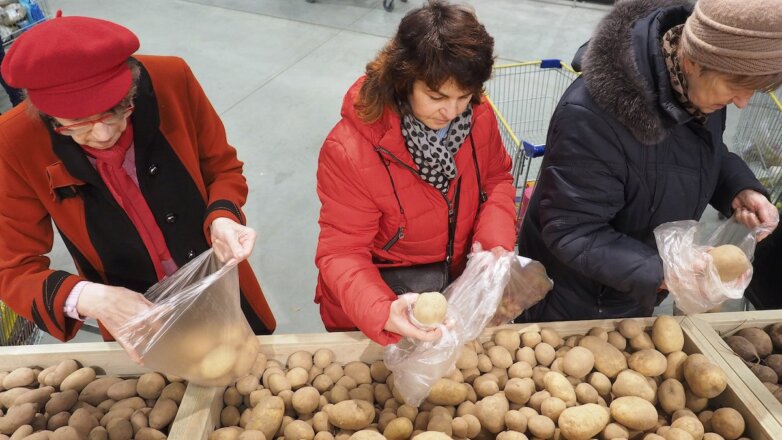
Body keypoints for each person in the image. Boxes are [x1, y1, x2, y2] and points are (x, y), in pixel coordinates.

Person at [0, 15, 276, 345]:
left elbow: (220, 167)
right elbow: (13, 267)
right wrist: (89, 297)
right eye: (76, 122)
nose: (103, 134)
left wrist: (223, 216)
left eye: (117, 109)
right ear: (45, 112)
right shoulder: (14, 141)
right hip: (135, 323)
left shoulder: (171, 80)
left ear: (132, 84)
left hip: (222, 287)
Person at [517, 0, 782, 322]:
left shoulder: (696, 90)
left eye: (753, 90)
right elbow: (572, 230)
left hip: (632, 287)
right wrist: (662, 269)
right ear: (693, 61)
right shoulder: (591, 117)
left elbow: (699, 151)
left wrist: (738, 188)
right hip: (573, 297)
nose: (741, 103)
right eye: (736, 88)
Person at [315, 0, 516, 346]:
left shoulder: (479, 116)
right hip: (385, 298)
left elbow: (497, 178)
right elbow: (342, 252)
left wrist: (494, 242)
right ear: (403, 80)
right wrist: (382, 311)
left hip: (454, 291)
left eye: (463, 96)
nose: (451, 111)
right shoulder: (350, 150)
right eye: (436, 96)